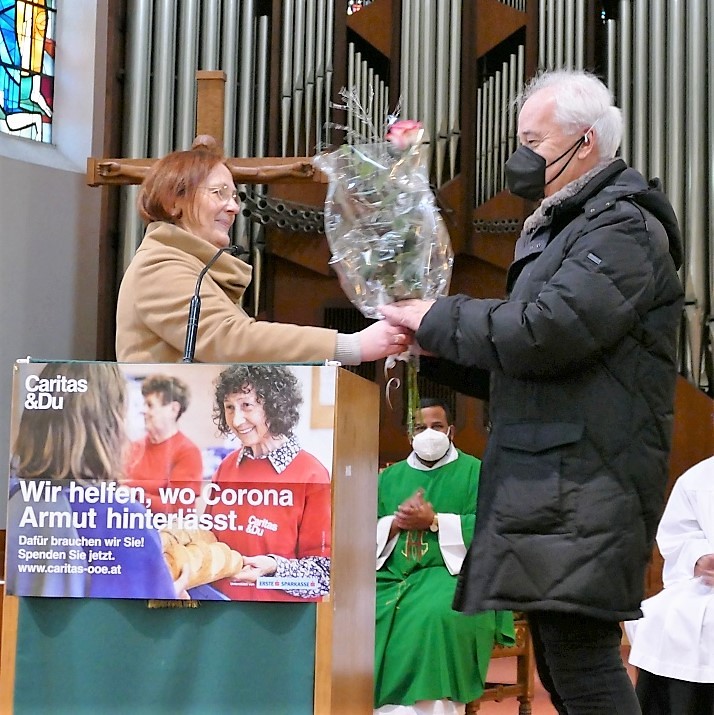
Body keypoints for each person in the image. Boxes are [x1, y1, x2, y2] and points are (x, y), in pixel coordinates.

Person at [381, 69, 685, 714]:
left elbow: (548, 331)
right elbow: (529, 363)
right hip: (563, 472)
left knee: (581, 659)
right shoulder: (570, 226)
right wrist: (434, 348)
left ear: (584, 142)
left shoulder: (621, 228)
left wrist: (437, 316)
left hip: (589, 474)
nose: (521, 158)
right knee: (561, 657)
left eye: (533, 142)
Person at [115, 135, 410, 365]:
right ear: (173, 202)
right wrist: (351, 346)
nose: (233, 207)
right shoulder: (160, 265)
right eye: (218, 193)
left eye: (234, 196)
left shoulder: (191, 266)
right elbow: (229, 339)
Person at [374, 398, 515, 715]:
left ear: (451, 431)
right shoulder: (389, 477)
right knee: (358, 612)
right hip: (393, 574)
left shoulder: (477, 472)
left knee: (435, 615)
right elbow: (362, 527)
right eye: (420, 428)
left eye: (436, 426)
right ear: (410, 434)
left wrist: (435, 521)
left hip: (454, 573)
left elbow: (495, 526)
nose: (428, 434)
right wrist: (395, 523)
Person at [5, 362, 181, 599]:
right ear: (112, 422)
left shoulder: (13, 499)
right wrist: (173, 592)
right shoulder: (122, 519)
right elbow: (151, 616)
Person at [202, 364, 331, 602]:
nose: (236, 420)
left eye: (247, 405)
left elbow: (322, 576)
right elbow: (208, 539)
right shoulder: (226, 467)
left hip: (279, 618)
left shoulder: (312, 475)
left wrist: (274, 568)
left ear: (275, 406)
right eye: (229, 407)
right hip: (217, 608)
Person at [625, 455, 714, 715]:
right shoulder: (698, 478)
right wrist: (700, 557)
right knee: (666, 619)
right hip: (706, 585)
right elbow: (679, 536)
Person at [124, 373, 203, 514]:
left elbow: (180, 509)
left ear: (173, 409)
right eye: (144, 404)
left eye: (150, 405)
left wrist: (134, 496)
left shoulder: (187, 453)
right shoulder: (134, 447)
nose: (143, 411)